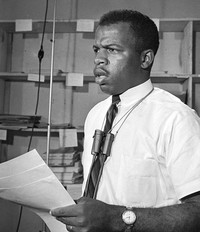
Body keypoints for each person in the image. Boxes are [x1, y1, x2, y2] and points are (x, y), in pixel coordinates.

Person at [50, 9, 200, 231]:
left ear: (145, 58)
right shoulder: (97, 114)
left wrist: (116, 219)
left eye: (111, 49)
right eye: (96, 49)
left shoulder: (176, 118)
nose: (99, 59)